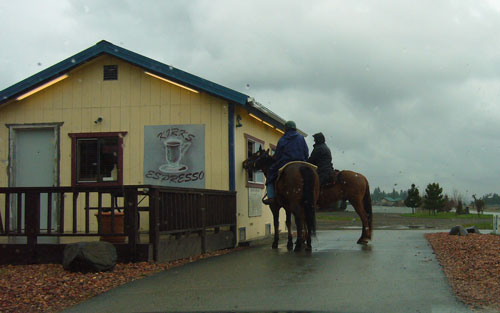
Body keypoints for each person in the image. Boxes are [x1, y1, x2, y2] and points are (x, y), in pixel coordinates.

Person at [262, 120, 309, 205]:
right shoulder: (301, 137)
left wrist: (277, 161)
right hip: (301, 162)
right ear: (295, 128)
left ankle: (271, 196)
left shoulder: (283, 139)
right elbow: (306, 152)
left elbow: (278, 155)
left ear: (286, 129)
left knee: (270, 172)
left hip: (286, 162)